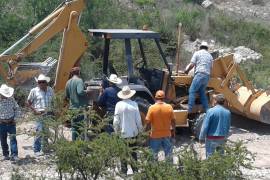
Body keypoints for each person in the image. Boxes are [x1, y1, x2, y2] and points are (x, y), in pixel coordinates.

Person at [113, 86, 143, 175]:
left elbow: (116, 121)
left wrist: (116, 132)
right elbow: (138, 120)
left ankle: (123, 172)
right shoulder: (134, 104)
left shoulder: (118, 105)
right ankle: (136, 171)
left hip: (122, 134)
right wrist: (141, 131)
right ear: (130, 94)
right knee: (133, 153)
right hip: (133, 133)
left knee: (123, 154)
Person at [27, 74, 54, 156]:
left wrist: (53, 111)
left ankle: (45, 148)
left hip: (48, 113)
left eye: (43, 82)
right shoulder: (34, 91)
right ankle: (36, 150)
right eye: (39, 82)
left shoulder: (50, 90)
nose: (41, 83)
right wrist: (34, 111)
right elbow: (28, 102)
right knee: (39, 131)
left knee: (46, 131)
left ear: (46, 82)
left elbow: (53, 101)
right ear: (37, 83)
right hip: (39, 114)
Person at [145, 90, 176, 160]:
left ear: (155, 98)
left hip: (155, 135)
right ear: (164, 98)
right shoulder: (169, 107)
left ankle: (155, 170)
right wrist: (173, 132)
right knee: (169, 154)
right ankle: (169, 170)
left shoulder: (152, 108)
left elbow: (148, 122)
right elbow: (173, 121)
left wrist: (147, 134)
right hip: (167, 134)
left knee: (153, 155)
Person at [184, 41, 213, 114]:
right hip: (207, 76)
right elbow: (211, 68)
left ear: (200, 47)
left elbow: (192, 64)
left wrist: (187, 71)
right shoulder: (210, 56)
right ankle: (207, 109)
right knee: (202, 92)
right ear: (207, 48)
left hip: (199, 74)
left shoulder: (197, 53)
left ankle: (189, 109)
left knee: (192, 90)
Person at [199, 93, 231, 158]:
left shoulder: (210, 111)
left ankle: (211, 168)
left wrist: (201, 137)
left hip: (211, 138)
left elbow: (205, 126)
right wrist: (225, 137)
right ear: (224, 102)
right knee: (221, 158)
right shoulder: (228, 112)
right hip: (222, 138)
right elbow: (228, 126)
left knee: (210, 158)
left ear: (215, 101)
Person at [65, 67, 89, 141]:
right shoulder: (79, 80)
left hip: (72, 109)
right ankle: (81, 146)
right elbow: (80, 92)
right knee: (82, 128)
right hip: (80, 108)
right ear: (79, 73)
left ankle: (74, 145)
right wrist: (87, 91)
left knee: (74, 129)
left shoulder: (68, 82)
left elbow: (67, 96)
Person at [0, 84, 21, 161]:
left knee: (13, 139)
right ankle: (6, 154)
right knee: (3, 140)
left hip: (12, 122)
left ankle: (14, 155)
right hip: (1, 124)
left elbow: (17, 109)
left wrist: (15, 119)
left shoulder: (12, 99)